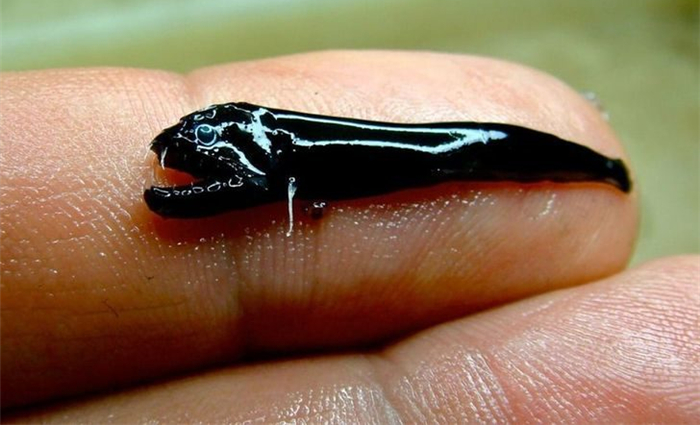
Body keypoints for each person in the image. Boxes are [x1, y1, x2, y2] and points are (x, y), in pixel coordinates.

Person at [1, 51, 697, 423]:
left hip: (373, 148)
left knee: (458, 151)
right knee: (455, 151)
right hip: (294, 144)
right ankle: (600, 168)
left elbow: (258, 170)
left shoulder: (261, 140)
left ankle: (598, 168)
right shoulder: (251, 134)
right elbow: (248, 166)